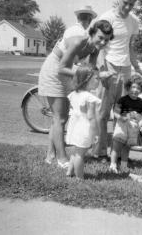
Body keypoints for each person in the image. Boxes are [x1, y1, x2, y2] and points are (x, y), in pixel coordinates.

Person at [38, 20, 114, 168]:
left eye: (107, 39)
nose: (103, 42)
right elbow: (61, 68)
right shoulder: (78, 42)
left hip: (68, 73)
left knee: (60, 117)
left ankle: (51, 155)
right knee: (60, 118)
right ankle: (62, 159)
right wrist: (87, 74)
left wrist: (99, 75)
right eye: (100, 37)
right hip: (54, 71)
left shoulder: (95, 48)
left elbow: (89, 69)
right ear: (92, 33)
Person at [93, 0, 142, 160]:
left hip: (125, 70)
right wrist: (102, 69)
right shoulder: (106, 17)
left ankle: (116, 154)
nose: (127, 7)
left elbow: (131, 48)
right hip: (108, 66)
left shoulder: (134, 22)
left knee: (122, 113)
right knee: (102, 113)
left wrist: (138, 68)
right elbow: (99, 46)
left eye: (131, 4)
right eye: (125, 2)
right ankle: (100, 150)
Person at [65, 65, 101, 179]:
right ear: (87, 80)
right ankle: (79, 178)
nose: (99, 81)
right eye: (96, 78)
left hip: (75, 126)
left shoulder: (75, 94)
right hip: (84, 128)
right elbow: (91, 117)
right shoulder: (89, 97)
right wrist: (96, 133)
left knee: (76, 152)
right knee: (80, 154)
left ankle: (69, 172)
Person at [109, 75, 142, 173]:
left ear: (141, 90)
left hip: (133, 127)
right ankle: (112, 165)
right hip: (122, 125)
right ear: (128, 87)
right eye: (133, 87)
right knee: (117, 145)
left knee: (127, 147)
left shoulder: (141, 103)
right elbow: (115, 112)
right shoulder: (122, 100)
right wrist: (120, 117)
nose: (135, 90)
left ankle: (123, 166)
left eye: (138, 88)